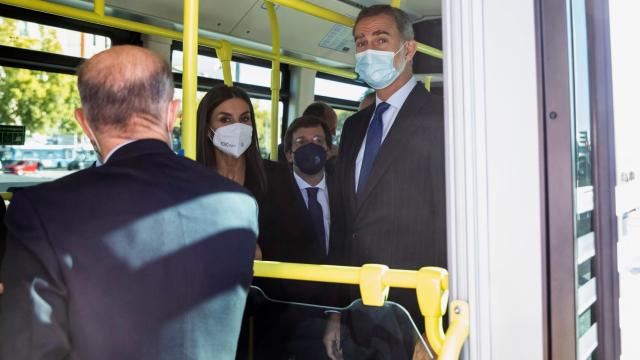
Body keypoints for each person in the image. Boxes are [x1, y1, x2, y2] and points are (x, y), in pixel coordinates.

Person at [0, 45, 259, 360]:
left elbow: (28, 349)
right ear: (171, 113)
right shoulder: (239, 204)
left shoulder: (42, 209)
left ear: (84, 123)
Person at [325, 4, 445, 359]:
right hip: (356, 311)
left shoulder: (441, 119)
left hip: (413, 314)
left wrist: (432, 328)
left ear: (408, 49)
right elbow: (344, 225)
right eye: (361, 42)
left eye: (380, 39)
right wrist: (334, 312)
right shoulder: (354, 128)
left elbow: (447, 227)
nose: (368, 50)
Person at [195, 85, 321, 359]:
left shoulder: (276, 177)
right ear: (208, 129)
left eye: (244, 119)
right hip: (211, 312)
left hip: (271, 312)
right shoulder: (194, 183)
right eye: (225, 119)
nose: (237, 127)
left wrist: (263, 254)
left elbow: (304, 242)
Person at [284, 115, 334, 262]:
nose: (311, 147)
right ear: (289, 155)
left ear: (329, 150)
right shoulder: (273, 196)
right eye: (301, 142)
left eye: (318, 141)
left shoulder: (345, 191)